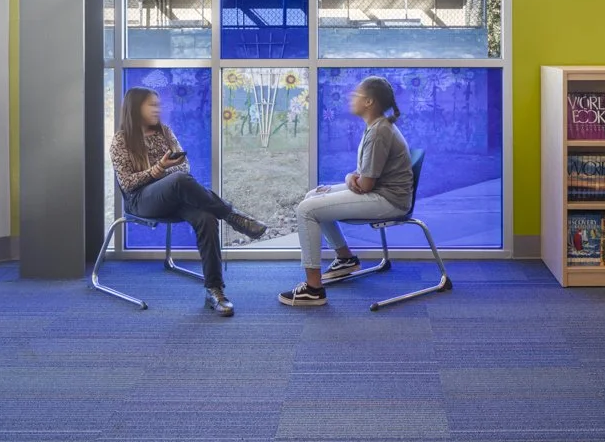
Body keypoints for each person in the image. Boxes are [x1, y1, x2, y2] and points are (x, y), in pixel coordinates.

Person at [109, 86, 267, 317]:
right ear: (135, 108)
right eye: (151, 105)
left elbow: (184, 167)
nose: (157, 109)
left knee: (206, 217)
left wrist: (165, 176)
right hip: (140, 200)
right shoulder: (121, 140)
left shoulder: (165, 132)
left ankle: (214, 291)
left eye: (158, 104)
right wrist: (160, 169)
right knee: (179, 181)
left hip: (173, 196)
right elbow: (127, 183)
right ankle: (232, 216)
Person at [278, 76, 413, 307]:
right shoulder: (377, 127)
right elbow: (365, 174)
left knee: (306, 210)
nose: (352, 97)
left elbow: (366, 184)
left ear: (369, 102)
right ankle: (345, 258)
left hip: (389, 200)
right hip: (381, 191)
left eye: (356, 94)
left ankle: (313, 289)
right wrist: (352, 177)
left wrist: (350, 178)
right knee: (313, 196)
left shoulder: (379, 132)